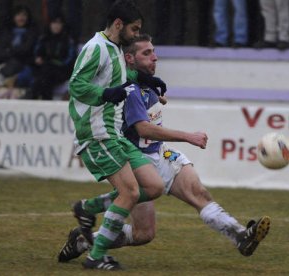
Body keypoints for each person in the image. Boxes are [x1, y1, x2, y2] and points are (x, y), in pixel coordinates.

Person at [58, 34, 271, 265]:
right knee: (143, 234)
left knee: (198, 193)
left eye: (154, 51)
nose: (155, 57)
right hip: (138, 162)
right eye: (146, 53)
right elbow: (144, 129)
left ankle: (241, 236)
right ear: (129, 59)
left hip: (162, 154)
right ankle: (83, 240)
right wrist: (188, 136)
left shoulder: (145, 82)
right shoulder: (128, 90)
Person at [66, 0, 172, 271]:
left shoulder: (115, 49)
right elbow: (77, 85)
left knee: (153, 187)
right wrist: (104, 94)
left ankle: (88, 207)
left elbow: (121, 79)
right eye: (134, 29)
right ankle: (96, 256)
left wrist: (145, 79)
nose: (136, 35)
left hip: (114, 134)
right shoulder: (96, 48)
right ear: (118, 25)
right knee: (129, 192)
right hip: (96, 133)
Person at [24, 14, 75, 100]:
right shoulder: (43, 38)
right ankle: (36, 99)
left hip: (61, 70)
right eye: (54, 23)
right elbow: (36, 54)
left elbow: (69, 60)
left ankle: (35, 98)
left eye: (59, 23)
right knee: (43, 78)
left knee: (45, 76)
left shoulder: (67, 40)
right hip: (44, 69)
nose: (56, 26)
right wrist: (38, 59)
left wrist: (53, 62)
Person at [0, 5, 38, 88]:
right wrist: (12, 52)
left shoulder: (32, 32)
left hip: (25, 63)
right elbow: (1, 50)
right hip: (7, 62)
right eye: (18, 15)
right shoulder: (7, 31)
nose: (21, 18)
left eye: (24, 15)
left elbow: (26, 49)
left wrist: (10, 50)